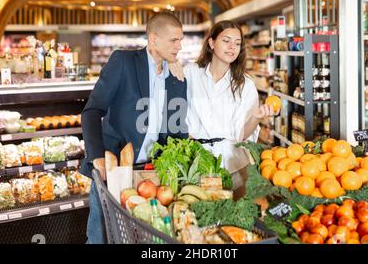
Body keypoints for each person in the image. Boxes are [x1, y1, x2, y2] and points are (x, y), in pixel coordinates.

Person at [81, 13, 188, 244]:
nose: (180, 46)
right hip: (114, 169)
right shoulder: (124, 62)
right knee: (100, 237)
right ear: (153, 39)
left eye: (181, 40)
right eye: (174, 40)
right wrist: (97, 159)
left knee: (144, 240)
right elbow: (92, 111)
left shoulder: (177, 77)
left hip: (152, 175)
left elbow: (176, 129)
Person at [170, 20, 277, 197]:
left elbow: (242, 135)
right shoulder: (190, 73)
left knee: (232, 219)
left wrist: (256, 117)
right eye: (226, 41)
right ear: (211, 43)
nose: (232, 47)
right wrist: (170, 63)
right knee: (198, 218)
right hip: (195, 163)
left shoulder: (246, 85)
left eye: (237, 43)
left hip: (233, 165)